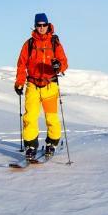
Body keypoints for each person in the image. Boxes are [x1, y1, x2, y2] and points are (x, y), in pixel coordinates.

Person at [14, 13, 68, 159]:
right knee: (29, 117)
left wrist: (58, 66)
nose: (42, 28)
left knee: (51, 118)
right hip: (32, 84)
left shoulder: (55, 42)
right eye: (39, 25)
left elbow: (64, 63)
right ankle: (31, 146)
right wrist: (19, 83)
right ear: (35, 26)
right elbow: (21, 64)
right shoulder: (29, 44)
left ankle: (52, 143)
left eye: (44, 25)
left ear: (48, 25)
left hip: (50, 85)